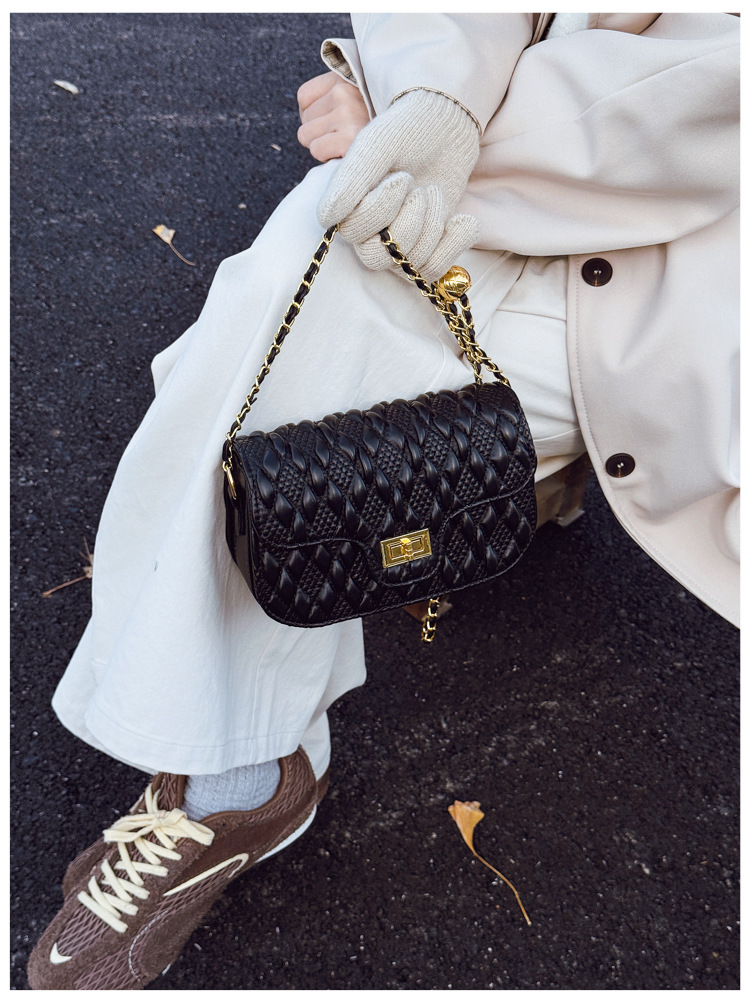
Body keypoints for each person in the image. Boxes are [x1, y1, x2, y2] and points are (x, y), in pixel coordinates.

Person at [28, 13, 739, 990]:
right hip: (505, 180)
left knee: (323, 292)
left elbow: (712, 88)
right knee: (284, 316)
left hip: (693, 269)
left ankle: (497, 491)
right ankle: (242, 775)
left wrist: (426, 138)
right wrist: (431, 100)